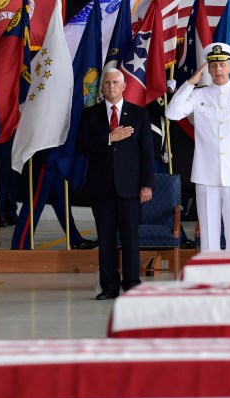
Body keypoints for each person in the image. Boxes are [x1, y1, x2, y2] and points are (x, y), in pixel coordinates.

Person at [165, 42, 230, 252]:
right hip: (206, 174)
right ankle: (210, 276)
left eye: (222, 65)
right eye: (213, 65)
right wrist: (190, 83)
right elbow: (172, 113)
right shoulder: (198, 94)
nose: (218, 69)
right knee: (208, 234)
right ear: (208, 68)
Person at [76, 68, 154, 301]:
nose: (111, 87)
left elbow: (147, 153)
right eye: (107, 83)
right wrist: (111, 138)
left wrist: (147, 185)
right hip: (101, 189)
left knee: (130, 238)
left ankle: (132, 284)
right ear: (101, 88)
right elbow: (82, 145)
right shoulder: (90, 115)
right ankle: (109, 286)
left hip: (130, 188)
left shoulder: (139, 115)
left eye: (115, 83)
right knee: (106, 239)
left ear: (124, 87)